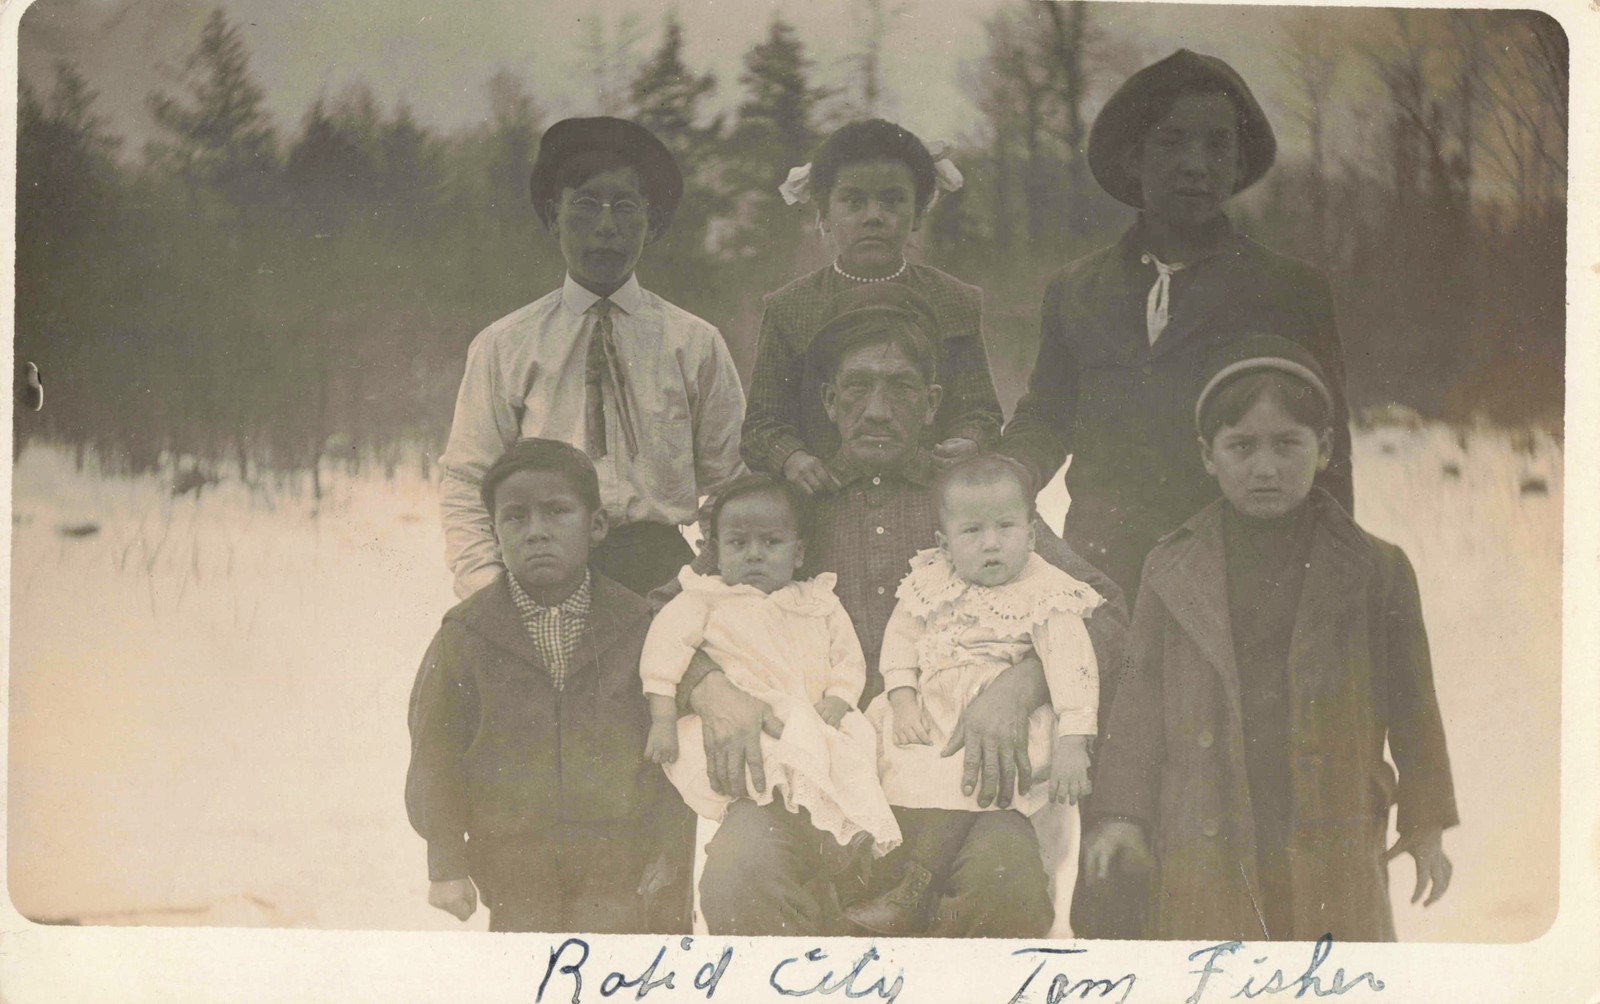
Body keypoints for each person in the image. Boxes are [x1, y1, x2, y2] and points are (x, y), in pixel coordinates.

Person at [1000, 48, 1357, 939]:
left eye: (1215, 145)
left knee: (1235, 824)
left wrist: (1329, 603)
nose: (1194, 164)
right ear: (1133, 160)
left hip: (1238, 591)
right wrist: (996, 481)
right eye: (1170, 143)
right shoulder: (1076, 291)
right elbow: (1045, 416)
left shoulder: (1288, 291)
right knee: (1117, 819)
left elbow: (1329, 462)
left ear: (1237, 162)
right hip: (1108, 587)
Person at [666, 283, 1127, 937]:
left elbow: (1107, 614)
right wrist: (708, 688)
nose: (877, 410)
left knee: (1007, 880)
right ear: (828, 402)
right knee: (741, 873)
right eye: (856, 389)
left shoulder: (974, 507)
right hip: (810, 779)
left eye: (901, 388)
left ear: (933, 402)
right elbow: (666, 611)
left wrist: (1024, 685)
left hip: (954, 782)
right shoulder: (786, 509)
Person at [1084, 336, 1458, 941]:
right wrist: (1123, 814)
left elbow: (1415, 707)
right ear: (1208, 455)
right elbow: (1137, 703)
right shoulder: (1169, 568)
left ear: (1325, 448)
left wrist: (1425, 821)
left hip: (1332, 825)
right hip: (1205, 826)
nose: (1265, 468)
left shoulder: (1378, 569)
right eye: (1241, 446)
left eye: (1288, 444)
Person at [439, 117, 746, 599]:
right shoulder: (505, 346)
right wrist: (491, 593)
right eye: (584, 205)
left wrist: (700, 579)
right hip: (543, 577)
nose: (606, 227)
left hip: (664, 583)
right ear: (553, 216)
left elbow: (732, 485)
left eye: (625, 207)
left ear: (651, 223)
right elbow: (466, 482)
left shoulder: (695, 344)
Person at [406, 439, 689, 933]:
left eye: (557, 512)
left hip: (620, 867)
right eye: (515, 517)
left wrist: (669, 850)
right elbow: (434, 754)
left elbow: (676, 751)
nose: (536, 531)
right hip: (515, 868)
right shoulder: (466, 633)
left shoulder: (638, 624)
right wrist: (446, 863)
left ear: (596, 526)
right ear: (494, 533)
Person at [845, 455, 1103, 935]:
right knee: (890, 767)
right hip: (935, 715)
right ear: (945, 545)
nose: (991, 543)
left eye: (1006, 527)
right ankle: (883, 869)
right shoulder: (929, 582)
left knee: (968, 786)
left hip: (1008, 728)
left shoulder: (1047, 591)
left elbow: (1075, 666)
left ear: (1031, 534)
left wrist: (1074, 741)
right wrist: (902, 697)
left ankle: (915, 888)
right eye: (972, 531)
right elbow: (900, 640)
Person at [640, 472, 901, 867]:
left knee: (851, 754)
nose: (754, 555)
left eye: (771, 542)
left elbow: (848, 658)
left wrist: (840, 697)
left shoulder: (818, 601)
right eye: (738, 543)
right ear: (716, 552)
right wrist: (662, 719)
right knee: (770, 764)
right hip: (745, 722)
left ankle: (850, 835)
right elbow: (663, 651)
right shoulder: (703, 599)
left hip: (812, 717)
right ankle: (816, 833)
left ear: (798, 553)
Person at [742, 118, 1003, 496]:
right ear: (824, 214)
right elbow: (762, 425)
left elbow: (981, 411)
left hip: (931, 499)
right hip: (825, 500)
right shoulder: (789, 308)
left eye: (893, 201)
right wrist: (792, 458)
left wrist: (969, 441)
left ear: (918, 213)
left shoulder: (954, 300)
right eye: (853, 202)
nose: (874, 216)